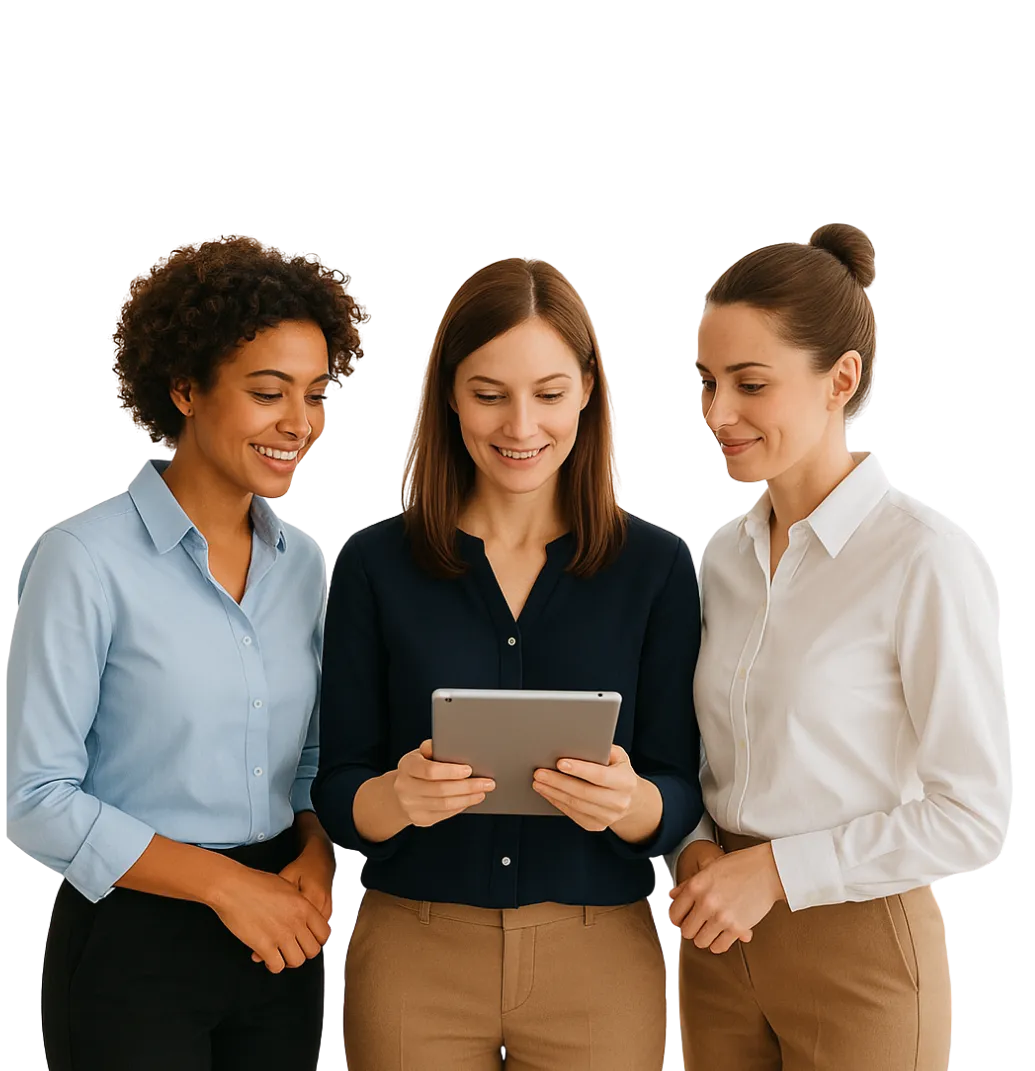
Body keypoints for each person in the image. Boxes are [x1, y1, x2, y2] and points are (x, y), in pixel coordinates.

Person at [311, 256, 703, 1070]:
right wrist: (397, 795)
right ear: (447, 394)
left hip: (599, 958)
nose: (520, 427)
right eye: (489, 394)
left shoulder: (657, 567)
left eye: (549, 394)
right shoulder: (374, 565)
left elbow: (680, 786)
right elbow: (340, 786)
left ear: (589, 391)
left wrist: (629, 802)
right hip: (413, 952)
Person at [5, 233, 369, 1070]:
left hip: (280, 935)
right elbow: (34, 798)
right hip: (136, 939)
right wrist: (223, 885)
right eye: (268, 392)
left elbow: (311, 752)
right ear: (183, 389)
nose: (299, 424)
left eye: (316, 395)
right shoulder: (85, 560)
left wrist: (314, 852)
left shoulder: (305, 562)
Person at [666, 223, 1011, 1070]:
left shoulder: (920, 554)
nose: (717, 414)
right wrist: (698, 846)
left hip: (856, 946)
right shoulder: (717, 562)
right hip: (716, 938)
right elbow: (698, 753)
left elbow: (975, 815)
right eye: (708, 382)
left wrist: (779, 870)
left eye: (750, 383)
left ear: (840, 380)